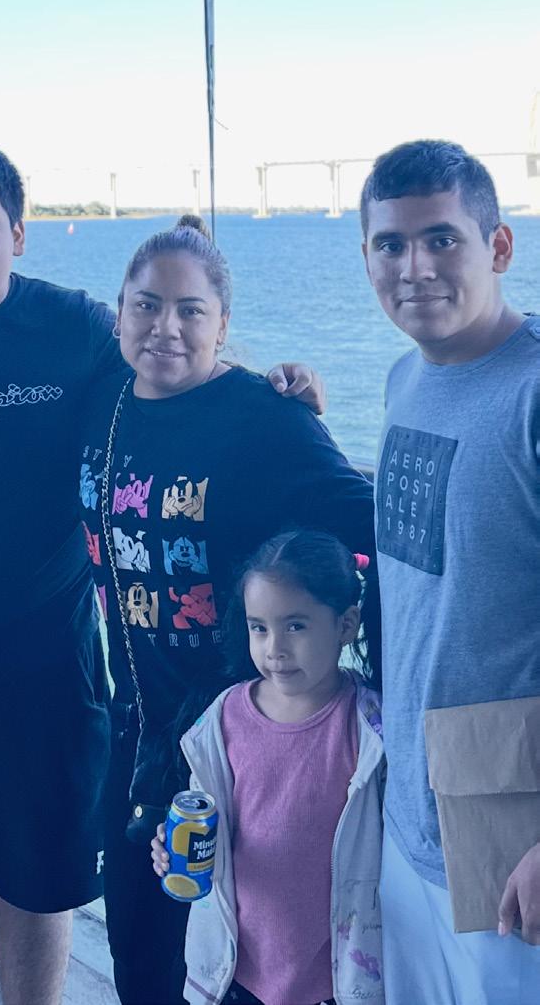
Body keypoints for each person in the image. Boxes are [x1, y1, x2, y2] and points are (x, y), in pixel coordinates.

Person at [0, 139, 325, 1005]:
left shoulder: (74, 327)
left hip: (45, 668)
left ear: (17, 234)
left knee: (39, 880)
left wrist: (273, 393)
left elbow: (173, 358)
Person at [77, 216, 379, 1004]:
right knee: (143, 960)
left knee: (245, 968)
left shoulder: (263, 418)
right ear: (118, 311)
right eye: (146, 305)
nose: (165, 327)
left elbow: (374, 528)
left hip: (239, 742)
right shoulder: (99, 401)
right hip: (135, 733)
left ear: (222, 324)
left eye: (190, 311)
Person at [361, 139, 540, 1003]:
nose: (414, 267)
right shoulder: (403, 378)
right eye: (390, 244)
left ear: (496, 247)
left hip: (513, 828)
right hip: (410, 807)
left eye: (440, 239)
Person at [151, 529, 385, 1005]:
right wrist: (170, 850)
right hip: (235, 976)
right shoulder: (224, 718)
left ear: (346, 625)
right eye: (259, 627)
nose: (274, 647)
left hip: (335, 983)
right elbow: (205, 823)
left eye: (295, 626)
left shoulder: (372, 729)